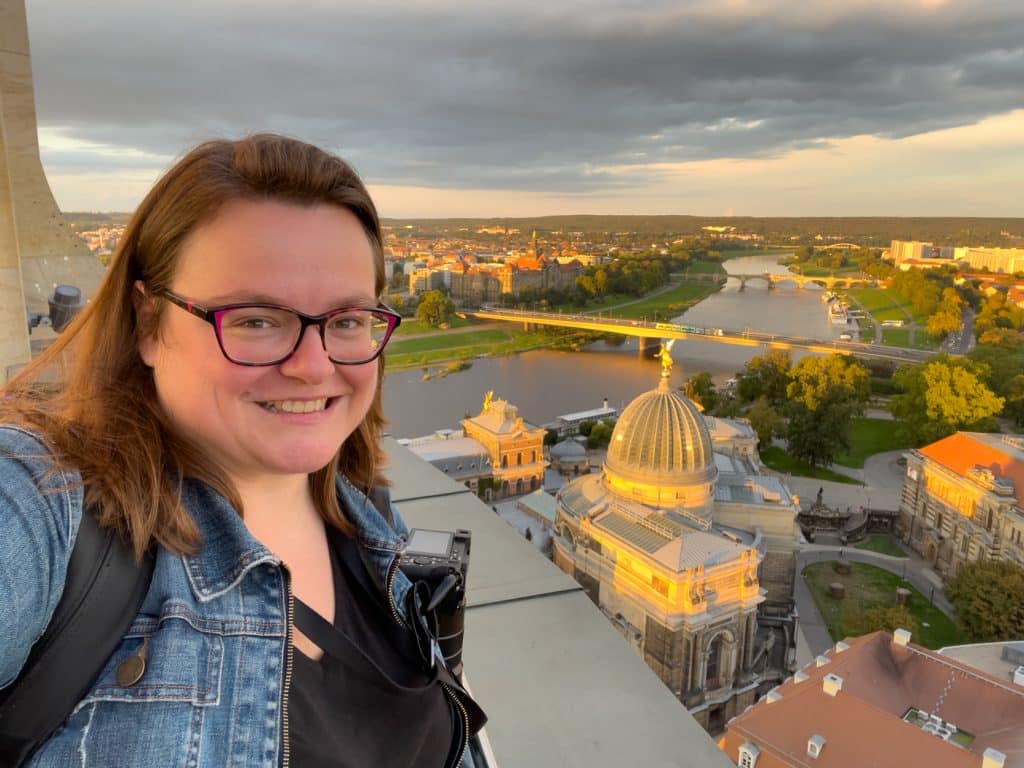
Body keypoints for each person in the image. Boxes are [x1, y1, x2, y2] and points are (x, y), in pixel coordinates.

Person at [0, 135, 480, 767]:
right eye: (256, 320)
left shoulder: (374, 526)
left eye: (346, 321)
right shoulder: (43, 505)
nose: (314, 367)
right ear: (148, 323)